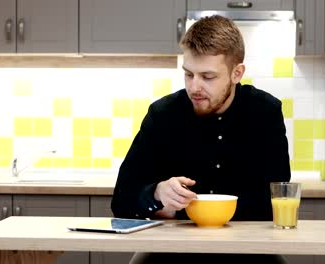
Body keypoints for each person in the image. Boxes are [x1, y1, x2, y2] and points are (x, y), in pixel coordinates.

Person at [111, 15, 290, 264]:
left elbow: (273, 199)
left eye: (208, 77)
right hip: (171, 252)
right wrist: (157, 194)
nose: (194, 87)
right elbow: (121, 200)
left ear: (237, 73)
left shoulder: (265, 112)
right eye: (188, 74)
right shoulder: (162, 114)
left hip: (247, 249)